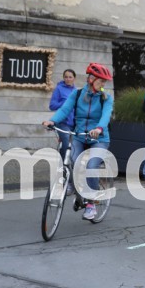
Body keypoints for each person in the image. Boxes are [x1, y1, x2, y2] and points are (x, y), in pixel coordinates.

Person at [42, 63, 114, 221]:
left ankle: (91, 204)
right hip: (80, 135)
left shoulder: (106, 99)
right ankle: (74, 188)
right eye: (101, 81)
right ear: (91, 79)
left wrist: (100, 128)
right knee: (73, 161)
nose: (103, 84)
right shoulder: (77, 94)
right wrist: (52, 121)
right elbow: (65, 109)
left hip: (99, 139)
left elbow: (106, 116)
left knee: (91, 165)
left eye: (104, 82)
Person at [48, 69, 77, 160]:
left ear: (74, 78)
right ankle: (63, 165)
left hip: (74, 123)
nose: (68, 79)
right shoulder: (59, 89)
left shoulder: (76, 91)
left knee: (75, 145)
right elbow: (52, 106)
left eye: (70, 77)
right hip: (62, 123)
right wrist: (64, 103)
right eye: (66, 77)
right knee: (66, 141)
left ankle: (71, 164)